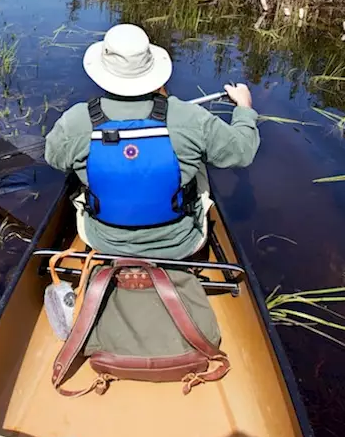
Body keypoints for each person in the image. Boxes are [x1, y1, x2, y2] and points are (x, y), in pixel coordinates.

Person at [44, 24, 259, 260]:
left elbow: (55, 159)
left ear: (103, 70)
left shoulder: (76, 120)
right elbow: (243, 151)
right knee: (198, 164)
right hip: (181, 243)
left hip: (102, 240)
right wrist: (244, 109)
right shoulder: (190, 116)